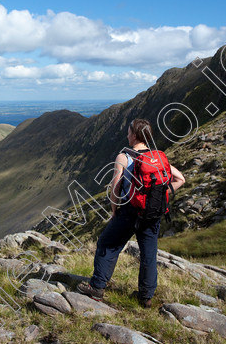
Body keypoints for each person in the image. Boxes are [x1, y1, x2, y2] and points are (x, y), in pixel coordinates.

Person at [77, 118, 185, 308]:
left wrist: (114, 211)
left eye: (128, 132)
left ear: (134, 135)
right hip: (152, 214)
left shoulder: (124, 157)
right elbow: (180, 179)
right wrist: (156, 197)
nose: (127, 135)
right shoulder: (157, 157)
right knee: (148, 254)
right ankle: (146, 297)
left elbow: (116, 188)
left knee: (107, 244)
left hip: (130, 212)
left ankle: (97, 288)